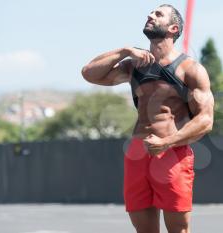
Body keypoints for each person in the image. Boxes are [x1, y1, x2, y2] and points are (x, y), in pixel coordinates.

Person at [81, 4, 214, 233]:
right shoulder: (135, 65)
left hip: (172, 154)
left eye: (158, 14)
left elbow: (206, 120)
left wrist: (167, 142)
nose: (150, 15)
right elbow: (89, 73)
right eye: (151, 13)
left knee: (178, 230)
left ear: (173, 28)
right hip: (137, 153)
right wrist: (124, 51)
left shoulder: (190, 69)